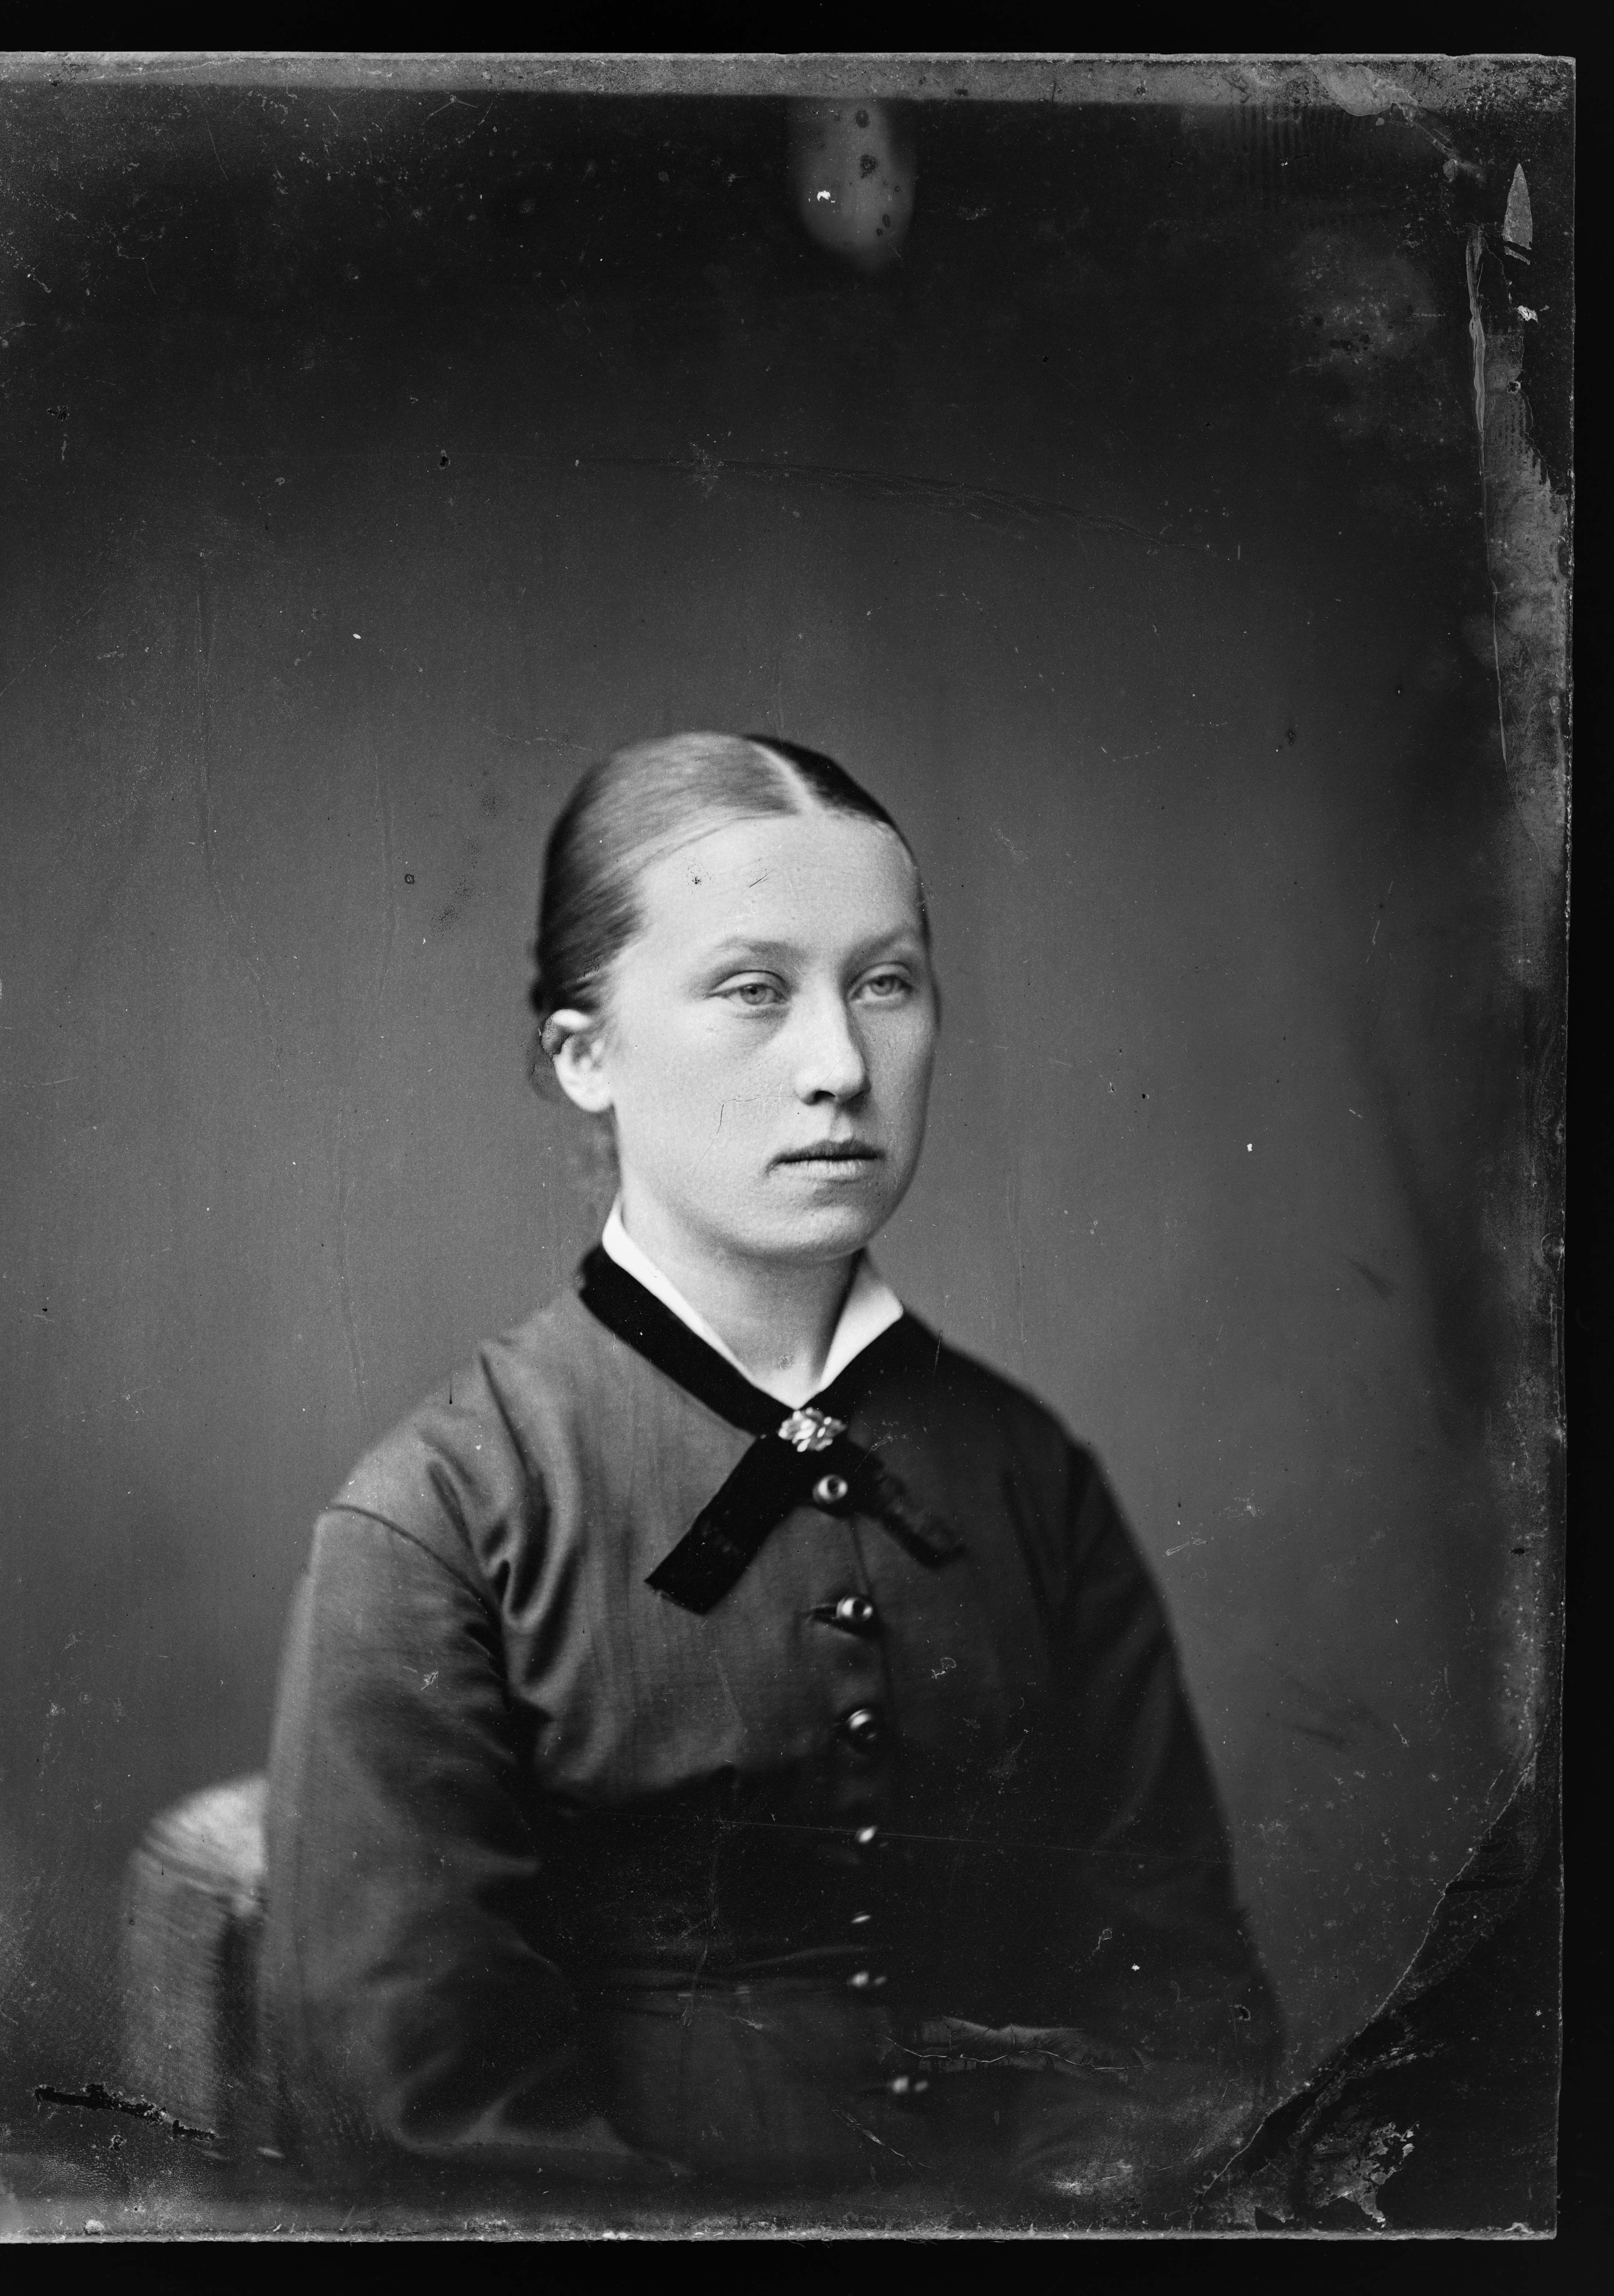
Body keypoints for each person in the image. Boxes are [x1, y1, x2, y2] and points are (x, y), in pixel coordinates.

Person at [258, 731, 1281, 2217]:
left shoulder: (1028, 1476)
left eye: (885, 983)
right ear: (585, 1055)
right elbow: (419, 2124)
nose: (839, 1068)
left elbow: (1178, 2013)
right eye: (751, 989)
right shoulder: (439, 1517)